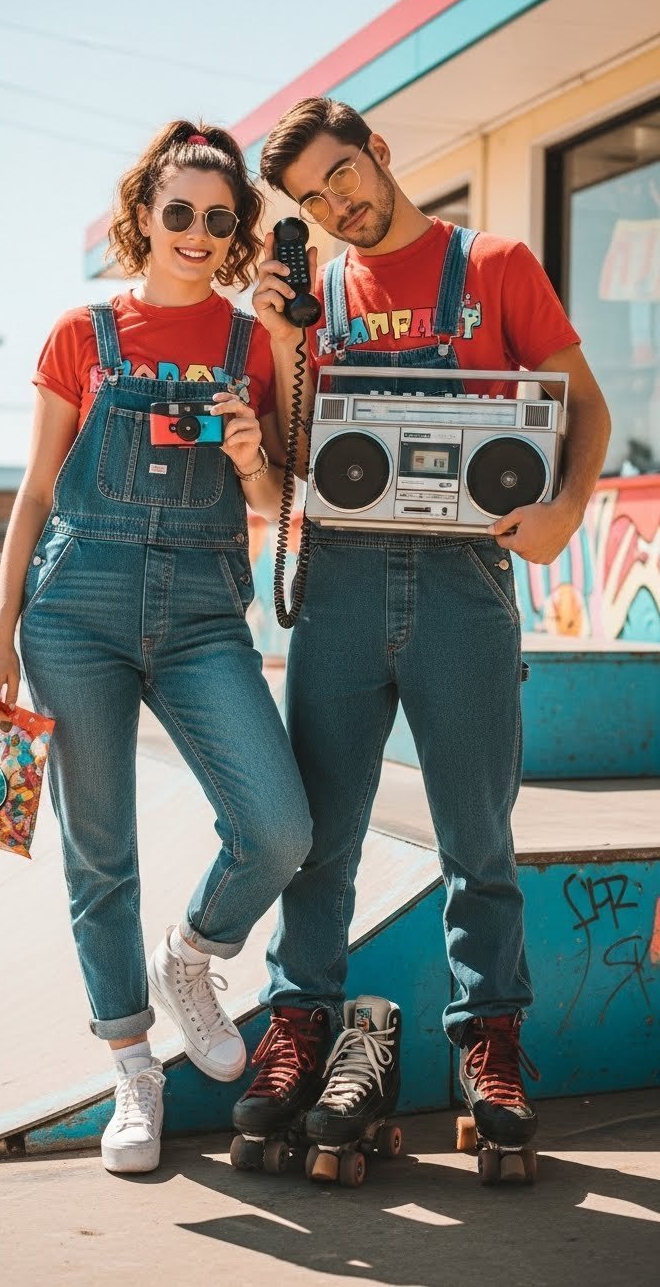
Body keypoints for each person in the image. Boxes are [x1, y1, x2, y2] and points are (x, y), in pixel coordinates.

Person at [232, 97, 611, 1151]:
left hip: (466, 582)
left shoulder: (493, 263)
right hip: (341, 583)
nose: (333, 204)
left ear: (379, 152)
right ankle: (297, 1027)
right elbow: (289, 461)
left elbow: (586, 405)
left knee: (478, 841)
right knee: (320, 839)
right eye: (308, 198)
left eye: (340, 176)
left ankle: (489, 1046)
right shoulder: (315, 296)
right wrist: (280, 334)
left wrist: (566, 513)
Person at [0, 120, 313, 1176]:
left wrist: (259, 455)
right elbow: (34, 494)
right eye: (181, 214)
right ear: (144, 217)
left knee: (279, 824)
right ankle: (135, 1074)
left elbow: (270, 499)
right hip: (75, 611)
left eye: (221, 219)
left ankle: (195, 954)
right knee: (99, 856)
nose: (200, 234)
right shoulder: (81, 335)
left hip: (207, 613)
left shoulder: (252, 345)